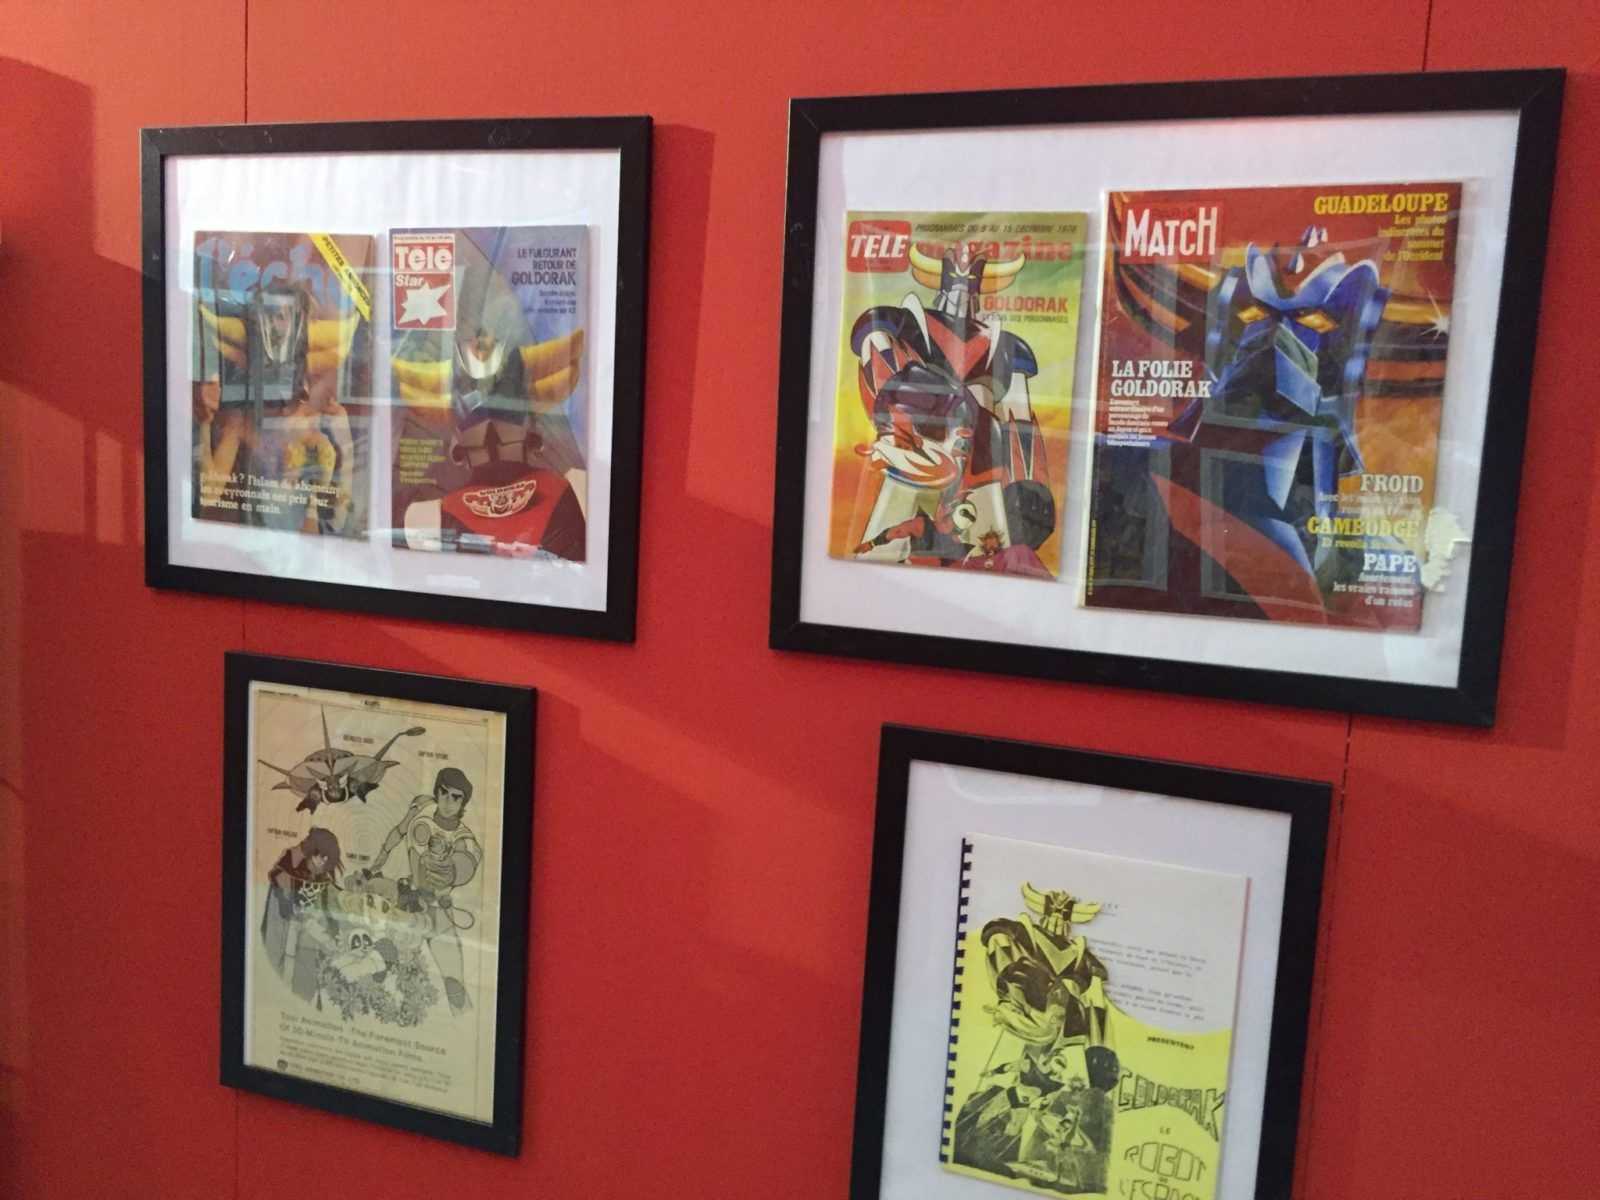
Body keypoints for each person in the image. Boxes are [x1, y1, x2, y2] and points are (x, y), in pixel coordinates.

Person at [360, 767, 482, 1014]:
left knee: (455, 988)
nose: (448, 801)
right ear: (437, 791)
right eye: (444, 792)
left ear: (463, 803)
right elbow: (398, 832)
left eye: (456, 797)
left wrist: (451, 871)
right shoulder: (422, 809)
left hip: (438, 913)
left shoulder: (463, 838)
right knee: (381, 965)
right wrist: (377, 863)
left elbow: (467, 862)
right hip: (407, 903)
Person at [260, 827, 344, 1002]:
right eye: (321, 856)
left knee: (306, 965)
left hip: (306, 924)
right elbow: (280, 891)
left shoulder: (323, 874)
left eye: (327, 859)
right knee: (277, 956)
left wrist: (332, 926)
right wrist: (288, 907)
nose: (323, 862)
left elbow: (327, 903)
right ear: (313, 850)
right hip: (282, 918)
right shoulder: (291, 861)